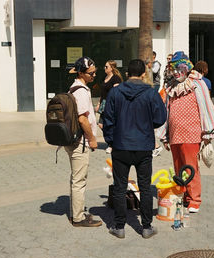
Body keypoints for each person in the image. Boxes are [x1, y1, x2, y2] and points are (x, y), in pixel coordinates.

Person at [103, 59, 166, 239]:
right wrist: (147, 125)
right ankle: (146, 227)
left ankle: (119, 226)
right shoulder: (151, 93)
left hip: (121, 145)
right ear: (144, 74)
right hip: (143, 146)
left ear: (128, 72)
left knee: (120, 187)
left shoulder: (115, 92)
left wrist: (110, 140)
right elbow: (160, 117)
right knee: (145, 187)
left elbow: (108, 119)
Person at [161, 51, 214, 213]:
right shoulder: (171, 86)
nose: (176, 72)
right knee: (178, 167)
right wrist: (164, 135)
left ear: (187, 67)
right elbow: (166, 111)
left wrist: (208, 133)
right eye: (173, 69)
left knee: (190, 167)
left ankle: (195, 199)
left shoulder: (197, 84)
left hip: (191, 133)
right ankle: (184, 195)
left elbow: (206, 108)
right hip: (175, 134)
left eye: (179, 68)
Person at [65, 57, 102, 227]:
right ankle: (78, 218)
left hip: (77, 140)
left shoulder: (78, 87)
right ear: (81, 73)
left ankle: (77, 212)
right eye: (91, 73)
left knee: (77, 178)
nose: (94, 75)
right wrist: (92, 139)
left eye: (95, 71)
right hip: (80, 141)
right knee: (79, 180)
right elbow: (82, 119)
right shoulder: (80, 90)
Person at [95, 60, 123, 153]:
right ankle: (110, 141)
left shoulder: (116, 78)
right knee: (101, 124)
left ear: (112, 68)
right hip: (103, 103)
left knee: (110, 124)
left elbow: (117, 92)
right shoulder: (104, 77)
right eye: (105, 66)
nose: (105, 68)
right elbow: (102, 92)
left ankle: (111, 144)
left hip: (111, 104)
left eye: (106, 67)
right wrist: (99, 104)